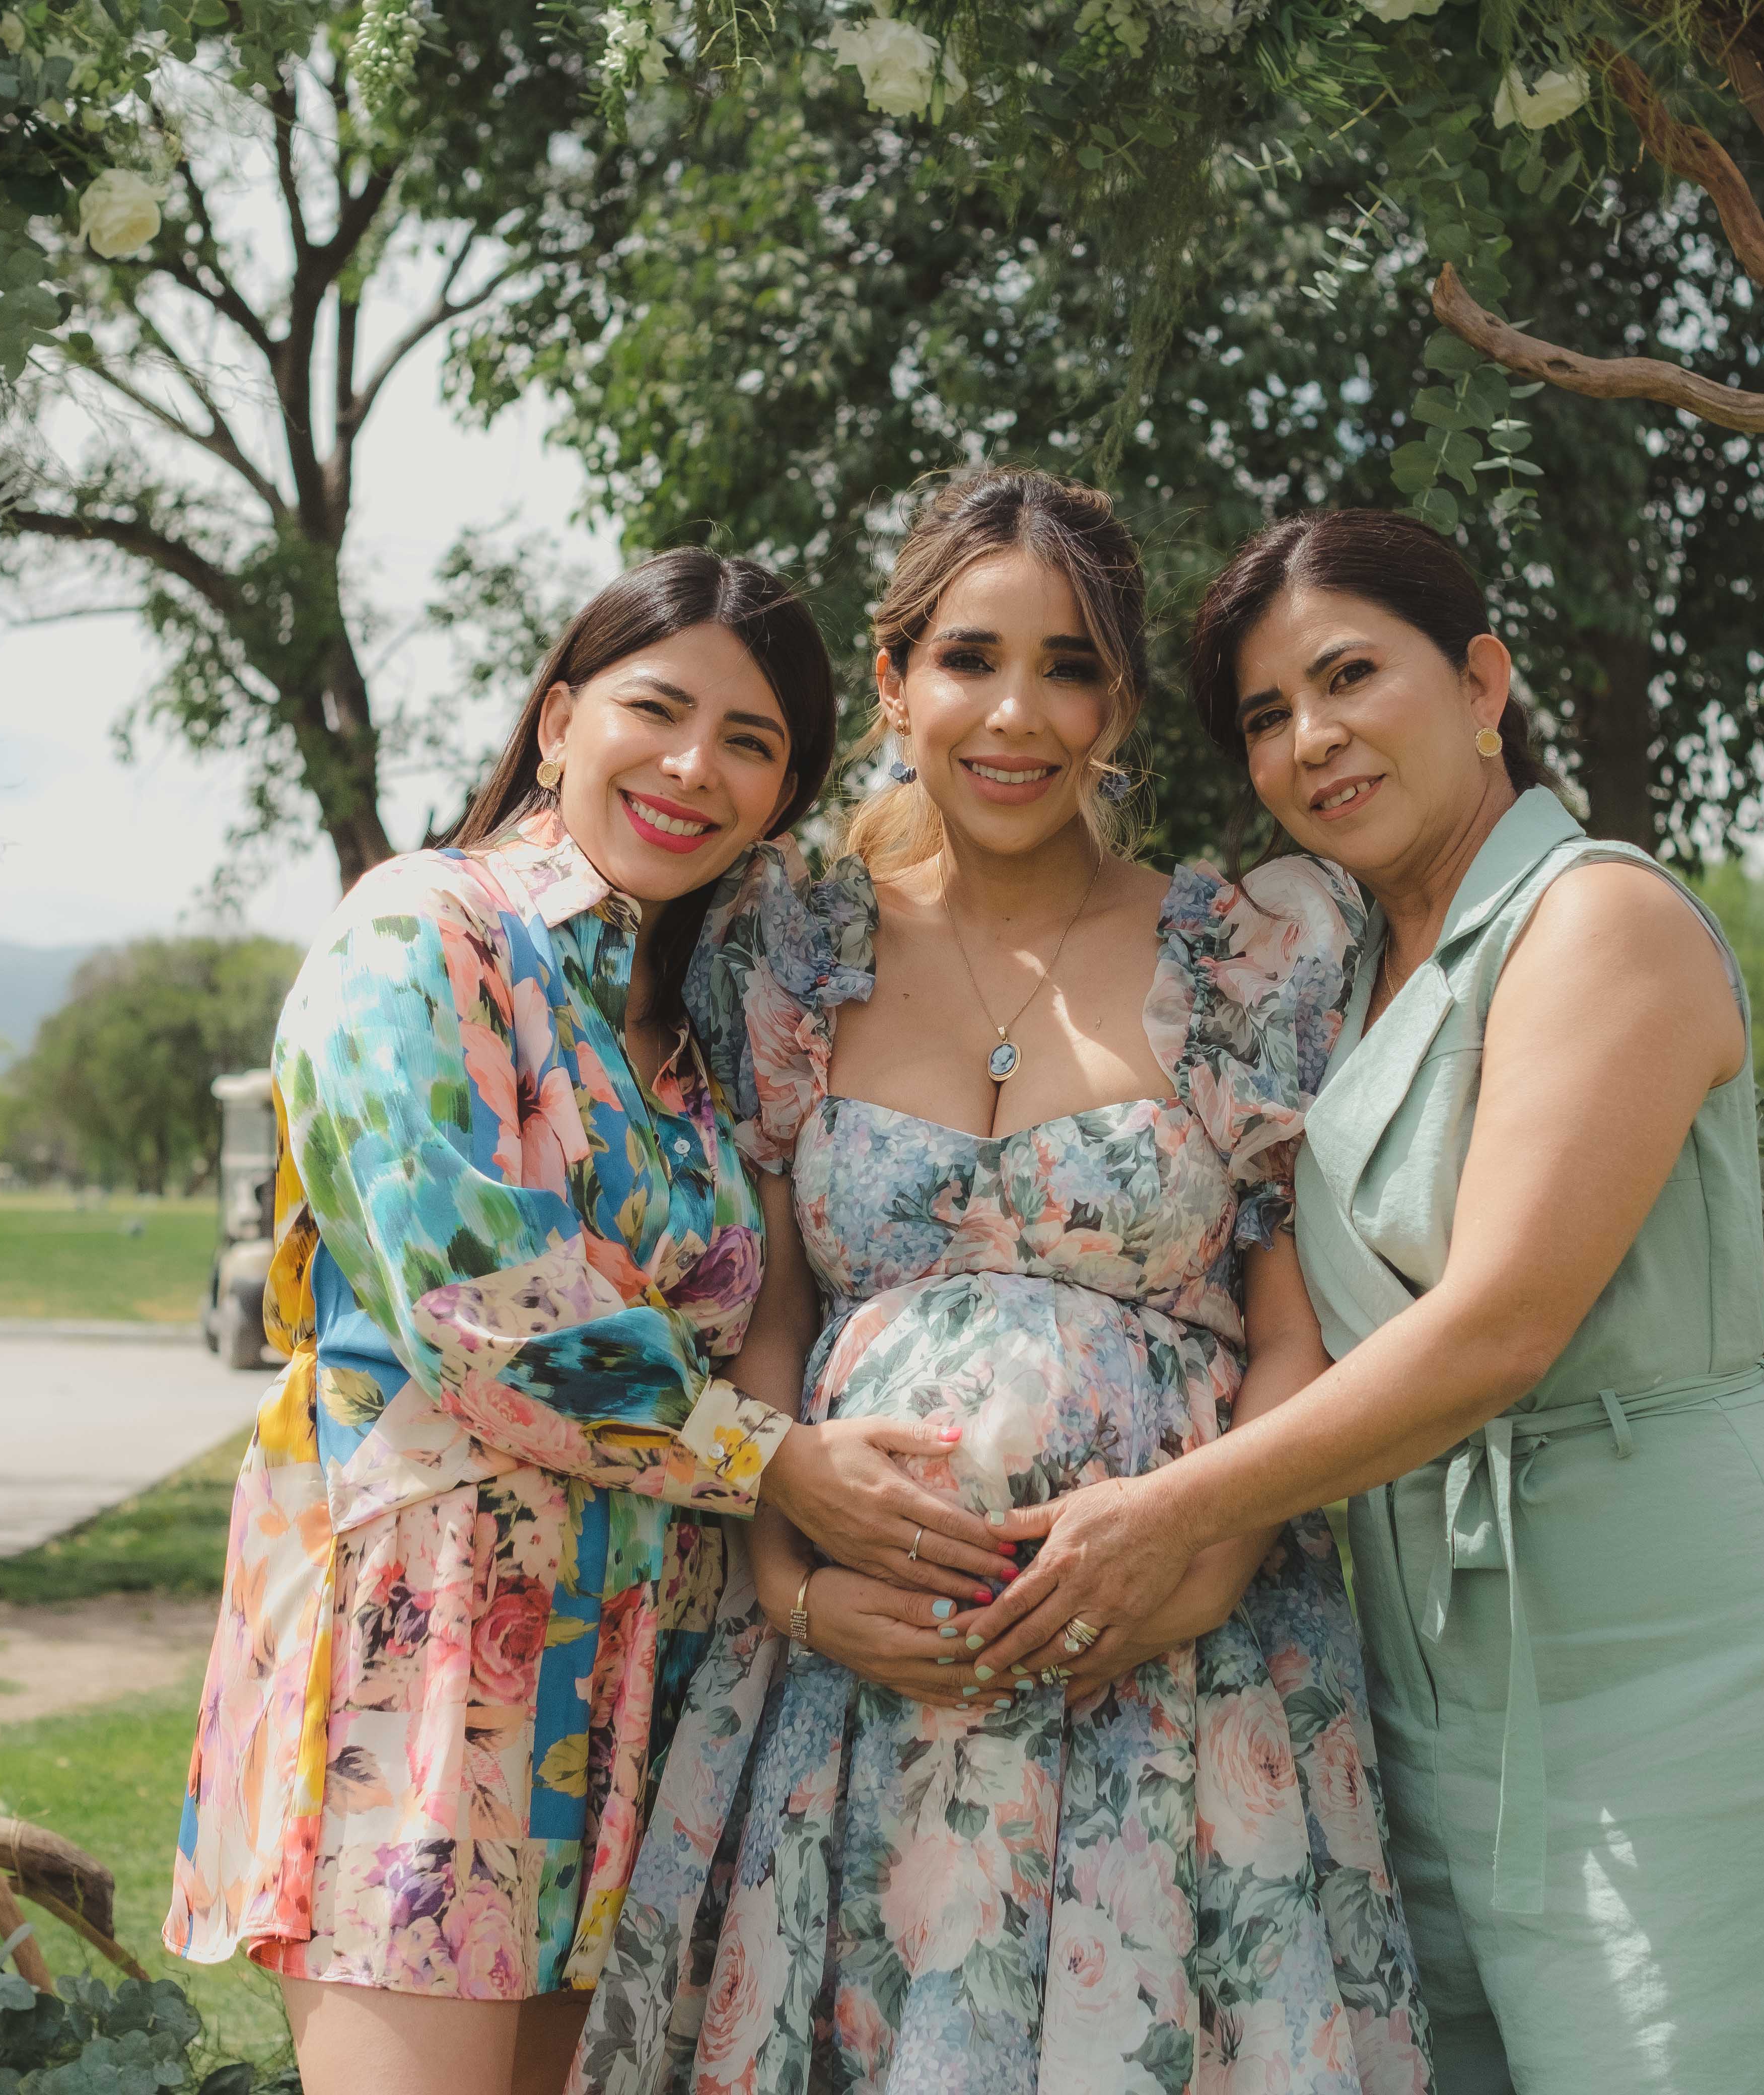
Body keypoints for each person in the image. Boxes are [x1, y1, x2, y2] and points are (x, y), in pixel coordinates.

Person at [967, 510, 1764, 2093]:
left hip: (1660, 1628)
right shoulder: (1334, 971)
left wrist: (1162, 1515)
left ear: (1481, 682)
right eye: (1267, 717)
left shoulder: (1597, 918)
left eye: (1350, 677)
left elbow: (1495, 1329)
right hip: (1420, 1666)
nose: (1312, 739)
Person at [574, 472, 1429, 2095]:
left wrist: (1204, 1563)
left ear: (1118, 705)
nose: (1017, 713)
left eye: (1072, 665)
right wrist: (790, 1576)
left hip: (1171, 1682)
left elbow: (1294, 1328)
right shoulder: (792, 945)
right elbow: (774, 1312)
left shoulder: (1249, 947)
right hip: (852, 1688)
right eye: (971, 659)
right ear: (896, 683)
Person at [164, 549, 1015, 2095]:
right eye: (658, 708)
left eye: (752, 743)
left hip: (647, 1665)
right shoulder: (423, 936)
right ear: (560, 718)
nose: (696, 766)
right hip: (433, 1649)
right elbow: (484, 1307)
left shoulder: (692, 1039)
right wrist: (778, 1465)